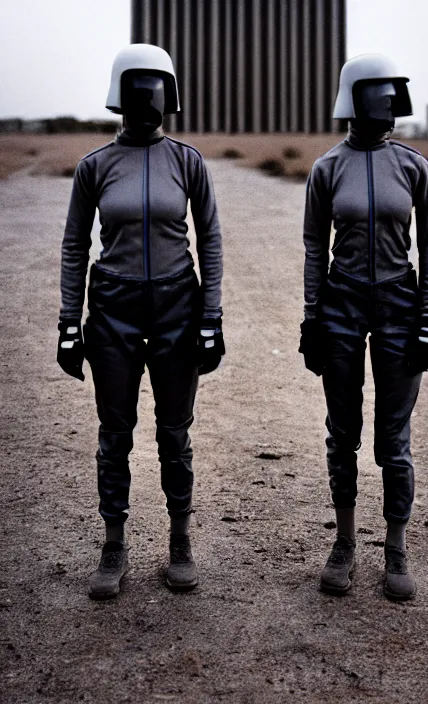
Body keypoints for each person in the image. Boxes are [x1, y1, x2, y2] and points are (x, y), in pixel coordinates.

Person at [57, 44, 224, 600]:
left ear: (168, 95)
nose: (146, 100)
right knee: (114, 434)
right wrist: (68, 323)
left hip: (178, 303)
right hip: (114, 309)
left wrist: (211, 316)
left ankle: (180, 540)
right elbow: (75, 245)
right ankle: (114, 543)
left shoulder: (187, 161)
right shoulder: (96, 166)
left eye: (155, 89)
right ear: (120, 94)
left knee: (175, 434)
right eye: (138, 88)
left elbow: (211, 240)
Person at [299, 54, 428, 600]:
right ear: (354, 98)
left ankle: (397, 548)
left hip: (400, 305)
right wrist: (312, 315)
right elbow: (315, 246)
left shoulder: (412, 166)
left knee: (394, 437)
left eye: (392, 94)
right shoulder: (327, 168)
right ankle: (344, 544)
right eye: (379, 94)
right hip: (341, 303)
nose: (389, 104)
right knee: (344, 431)